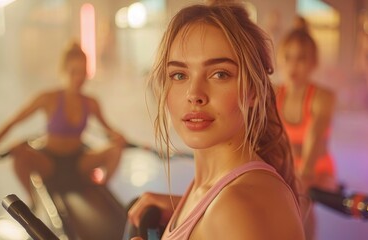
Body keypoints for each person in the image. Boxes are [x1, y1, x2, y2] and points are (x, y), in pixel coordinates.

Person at [127, 3, 305, 240]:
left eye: (219, 74)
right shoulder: (215, 194)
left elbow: (231, 217)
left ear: (253, 90)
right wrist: (187, 211)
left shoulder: (234, 208)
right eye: (179, 75)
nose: (194, 94)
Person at [0, 41, 126, 198]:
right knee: (19, 153)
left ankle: (101, 191)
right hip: (49, 161)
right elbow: (13, 122)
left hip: (78, 162)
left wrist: (118, 138)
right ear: (64, 72)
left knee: (115, 151)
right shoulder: (47, 98)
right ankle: (33, 198)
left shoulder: (91, 103)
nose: (79, 78)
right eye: (74, 72)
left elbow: (110, 131)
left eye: (82, 72)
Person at [275, 18, 338, 240]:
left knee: (299, 201)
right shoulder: (274, 94)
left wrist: (305, 173)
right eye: (288, 57)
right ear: (279, 59)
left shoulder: (323, 97)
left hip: (317, 170)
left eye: (301, 59)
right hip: (288, 168)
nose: (293, 65)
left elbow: (314, 135)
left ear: (313, 63)